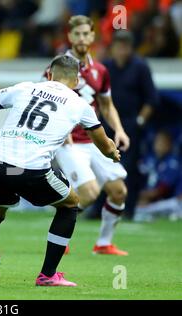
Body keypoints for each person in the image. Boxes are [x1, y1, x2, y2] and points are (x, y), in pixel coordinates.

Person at [0, 54, 121, 286]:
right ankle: (48, 275)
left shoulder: (25, 88)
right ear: (77, 80)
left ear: (49, 74)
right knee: (70, 204)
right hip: (30, 169)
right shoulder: (80, 104)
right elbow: (102, 142)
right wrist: (112, 153)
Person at [53, 15, 130, 256]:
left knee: (119, 192)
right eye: (77, 34)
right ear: (70, 36)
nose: (82, 38)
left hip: (95, 140)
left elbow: (106, 105)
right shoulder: (58, 67)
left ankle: (104, 243)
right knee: (89, 193)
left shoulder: (100, 71)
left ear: (93, 37)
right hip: (70, 142)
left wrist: (119, 130)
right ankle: (58, 235)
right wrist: (58, 129)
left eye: (86, 33)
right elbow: (47, 98)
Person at [102, 30, 159, 219]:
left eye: (126, 46)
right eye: (119, 46)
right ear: (113, 48)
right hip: (107, 123)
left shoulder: (140, 67)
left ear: (131, 48)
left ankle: (128, 209)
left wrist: (139, 121)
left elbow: (151, 100)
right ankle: (99, 208)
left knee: (128, 168)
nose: (122, 50)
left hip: (130, 125)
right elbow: (97, 97)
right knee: (102, 165)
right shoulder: (106, 67)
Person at [133, 130, 182, 222]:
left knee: (174, 205)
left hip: (168, 201)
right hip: (152, 201)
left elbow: (162, 190)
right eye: (157, 141)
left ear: (169, 145)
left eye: (162, 142)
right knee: (136, 208)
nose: (158, 145)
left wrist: (140, 196)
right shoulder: (151, 159)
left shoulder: (172, 162)